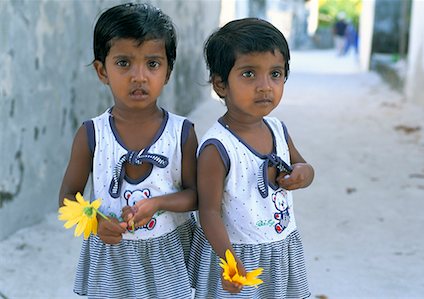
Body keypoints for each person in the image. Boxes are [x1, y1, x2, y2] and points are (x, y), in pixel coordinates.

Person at [59, 3, 198, 298]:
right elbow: (68, 198)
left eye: (152, 64)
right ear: (101, 70)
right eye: (124, 63)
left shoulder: (181, 133)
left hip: (167, 256)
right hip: (113, 258)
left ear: (168, 72)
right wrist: (95, 222)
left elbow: (196, 196)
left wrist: (158, 203)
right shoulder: (91, 135)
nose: (139, 76)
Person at [188, 18, 314, 298]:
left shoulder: (278, 129)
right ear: (220, 84)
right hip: (238, 253)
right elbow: (207, 212)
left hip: (280, 246)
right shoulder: (217, 148)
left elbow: (303, 167)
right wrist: (229, 261)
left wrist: (302, 174)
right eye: (249, 74)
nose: (265, 86)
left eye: (275, 74)